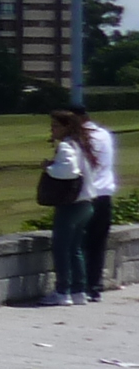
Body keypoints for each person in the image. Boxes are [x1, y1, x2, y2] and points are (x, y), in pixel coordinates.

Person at [42, 109, 101, 306]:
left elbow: (69, 170)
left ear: (66, 127)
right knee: (76, 248)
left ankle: (62, 291)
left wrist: (49, 168)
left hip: (71, 205)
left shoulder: (67, 146)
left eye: (56, 126)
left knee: (61, 248)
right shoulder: (82, 146)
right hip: (87, 204)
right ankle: (79, 290)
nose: (52, 130)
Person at [75, 107, 119, 298]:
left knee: (80, 243)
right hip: (105, 194)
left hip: (87, 196)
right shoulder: (105, 135)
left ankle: (80, 285)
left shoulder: (81, 140)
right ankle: (95, 286)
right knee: (98, 243)